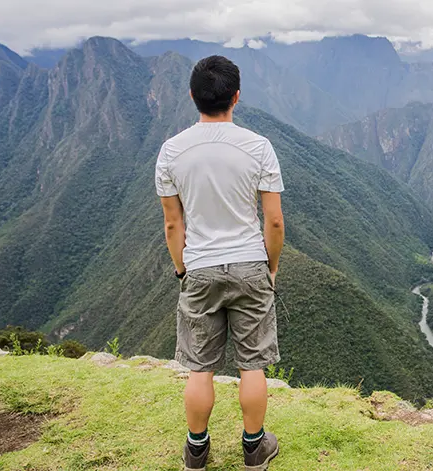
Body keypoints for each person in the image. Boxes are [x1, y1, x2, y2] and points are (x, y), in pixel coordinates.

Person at [155, 55, 285, 471]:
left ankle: (197, 450)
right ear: (237, 96)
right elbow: (275, 220)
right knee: (253, 364)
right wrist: (271, 267)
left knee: (200, 366)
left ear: (193, 96)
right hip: (250, 264)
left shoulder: (171, 152)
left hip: (200, 268)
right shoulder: (258, 147)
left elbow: (173, 225)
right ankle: (254, 448)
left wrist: (182, 269)